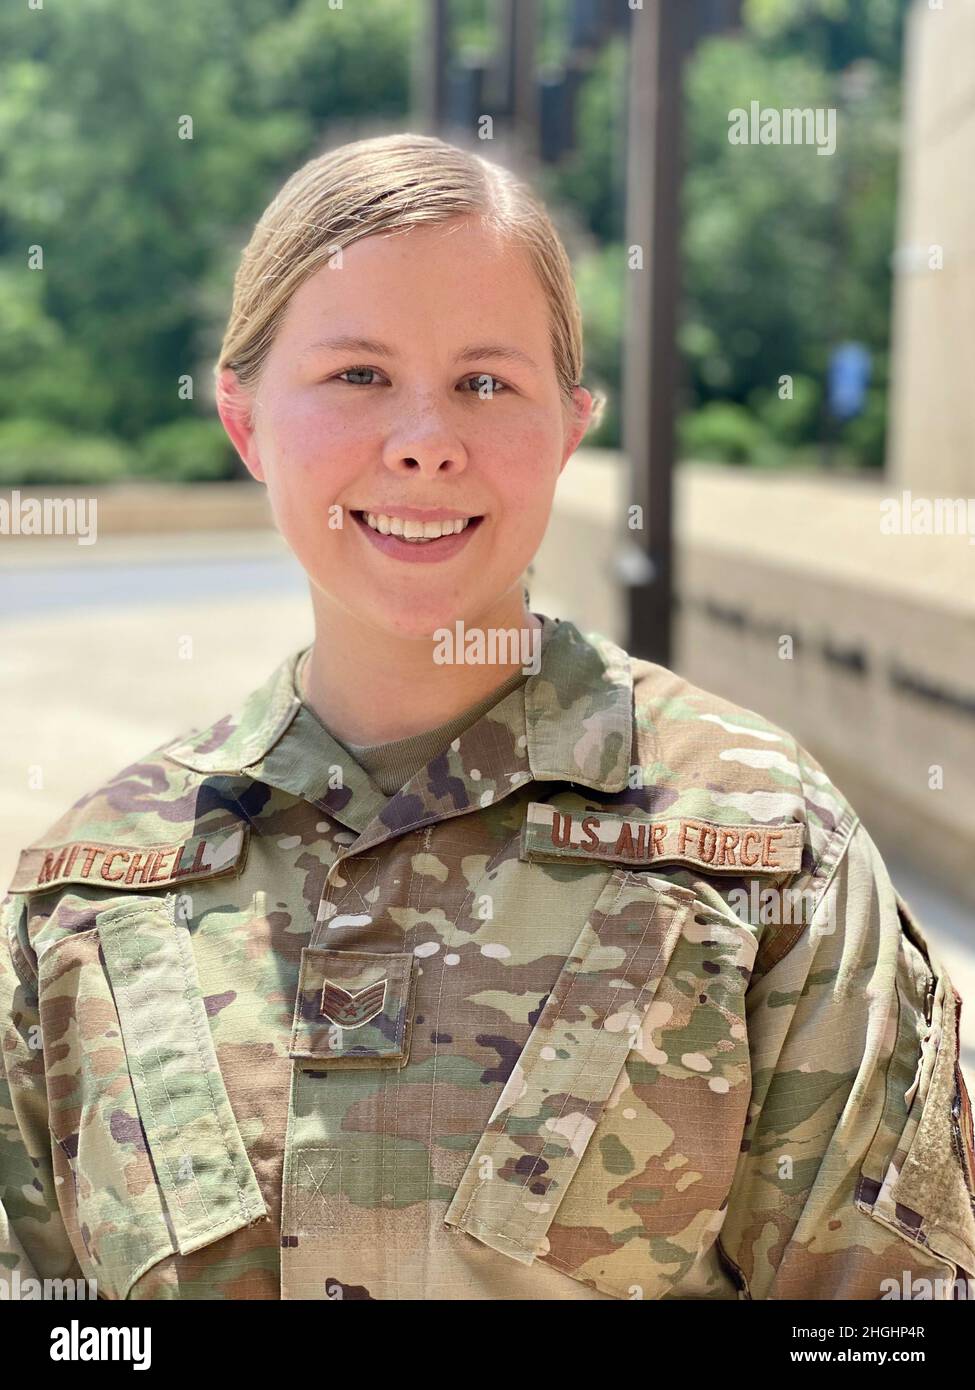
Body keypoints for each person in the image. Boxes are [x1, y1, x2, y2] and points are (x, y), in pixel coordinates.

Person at [2, 132, 973, 1303]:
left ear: (569, 426)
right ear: (244, 416)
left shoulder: (764, 847)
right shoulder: (90, 896)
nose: (425, 440)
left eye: (485, 382)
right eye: (359, 375)